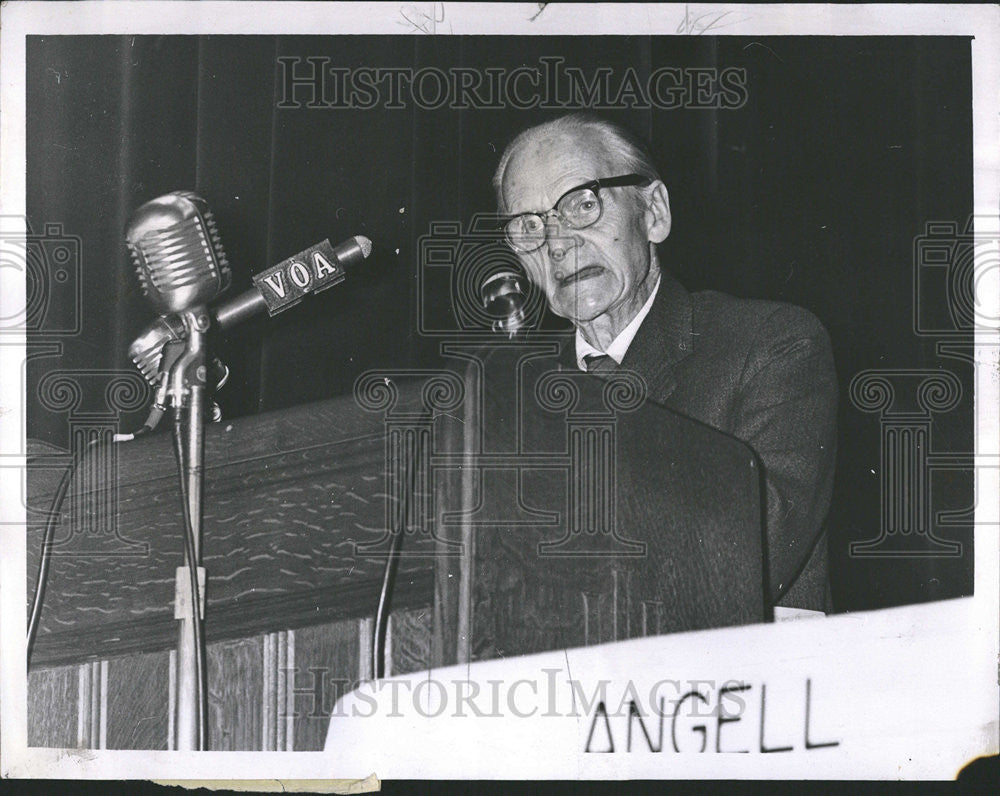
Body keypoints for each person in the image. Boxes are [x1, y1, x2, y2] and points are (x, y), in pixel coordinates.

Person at [492, 113, 837, 613]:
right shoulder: (513, 398)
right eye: (529, 225)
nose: (558, 244)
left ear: (653, 212)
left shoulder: (769, 346)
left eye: (583, 204)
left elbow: (746, 557)